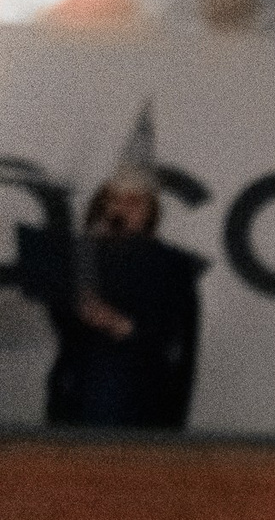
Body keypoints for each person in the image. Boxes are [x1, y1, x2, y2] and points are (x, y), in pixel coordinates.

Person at [14, 107, 206, 430]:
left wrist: (123, 327)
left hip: (144, 402)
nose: (123, 209)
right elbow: (62, 322)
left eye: (134, 202)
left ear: (150, 211)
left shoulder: (172, 265)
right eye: (116, 200)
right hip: (80, 397)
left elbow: (179, 342)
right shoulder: (84, 254)